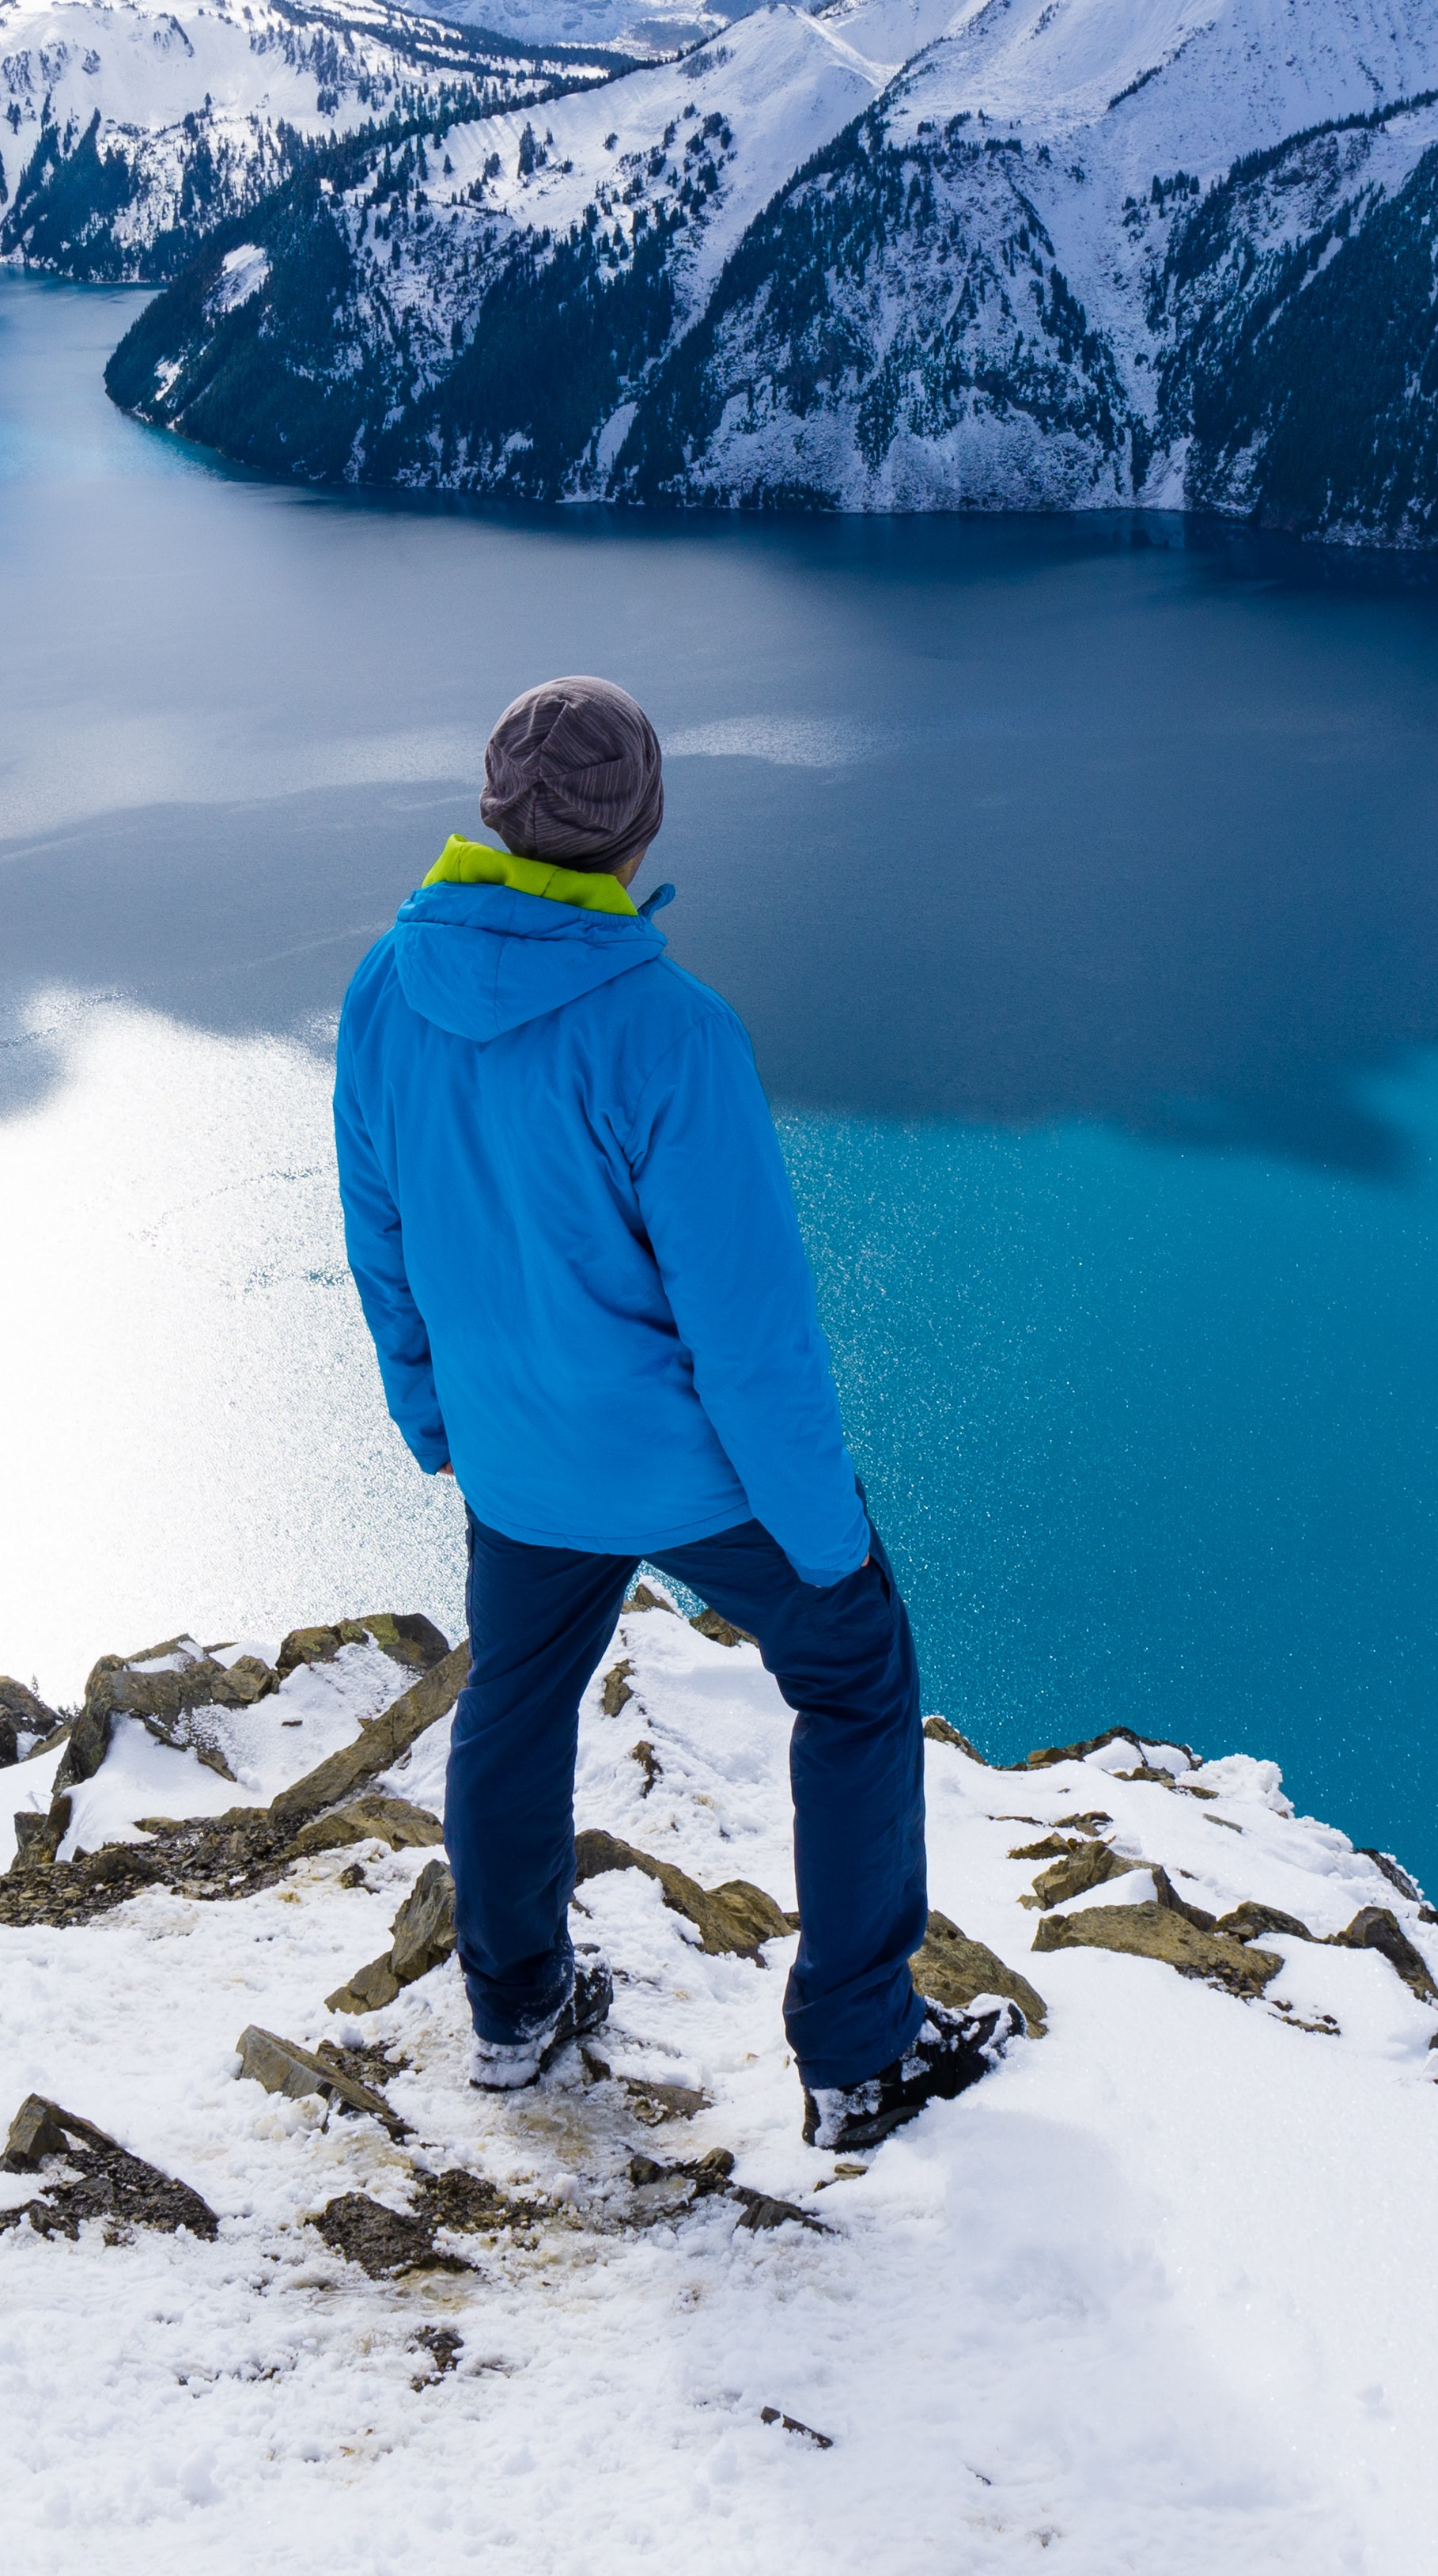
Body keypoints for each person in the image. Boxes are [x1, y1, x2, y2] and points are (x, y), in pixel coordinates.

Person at [333, 676, 1015, 2149]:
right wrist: (827, 1541)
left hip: (521, 1462)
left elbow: (381, 1240)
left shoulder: (385, 990)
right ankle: (857, 2049)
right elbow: (752, 1341)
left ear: (495, 810)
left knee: (512, 1705)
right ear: (639, 832)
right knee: (856, 1672)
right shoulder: (668, 1032)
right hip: (688, 1473)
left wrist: (435, 1421)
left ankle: (514, 2010)